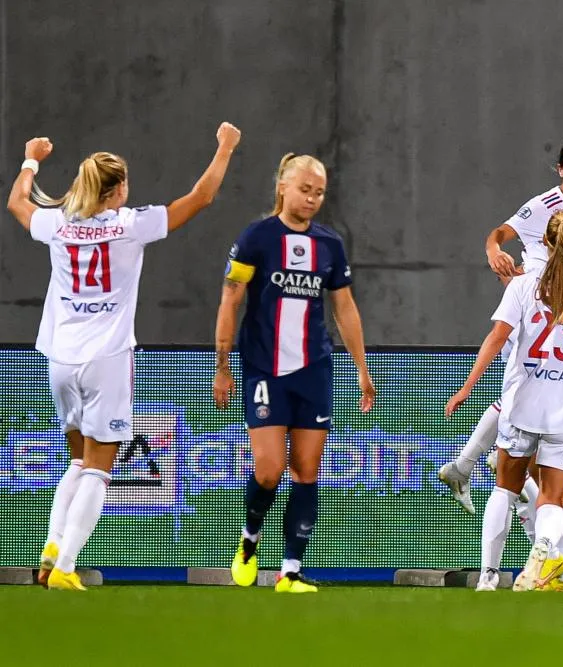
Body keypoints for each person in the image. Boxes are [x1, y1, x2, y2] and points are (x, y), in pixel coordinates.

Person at [6, 122, 242, 590]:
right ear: (115, 192)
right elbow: (200, 198)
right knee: (100, 465)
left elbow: (16, 203)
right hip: (107, 357)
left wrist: (31, 159)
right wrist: (225, 149)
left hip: (58, 357)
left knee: (77, 459)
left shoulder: (58, 223)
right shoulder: (130, 225)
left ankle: (52, 552)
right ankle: (68, 569)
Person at [215, 153, 376, 594]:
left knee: (307, 470)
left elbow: (344, 307)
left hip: (314, 369)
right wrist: (222, 364)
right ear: (282, 186)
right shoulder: (257, 237)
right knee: (269, 470)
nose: (312, 198)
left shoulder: (330, 245)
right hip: (264, 367)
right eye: (305, 189)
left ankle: (290, 571)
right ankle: (250, 540)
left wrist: (362, 367)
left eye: (319, 192)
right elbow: (231, 299)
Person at [438, 138, 563, 515]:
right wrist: (494, 251)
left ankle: (471, 465)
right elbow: (498, 235)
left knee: (535, 415)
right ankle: (474, 465)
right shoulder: (544, 205)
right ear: (560, 169)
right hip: (537, 312)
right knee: (526, 389)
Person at [446, 210, 563, 593]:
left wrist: (467, 387)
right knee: (553, 499)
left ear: (545, 243)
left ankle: (489, 577)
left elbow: (496, 339)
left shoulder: (523, 286)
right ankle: (543, 551)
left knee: (505, 490)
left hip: (523, 404)